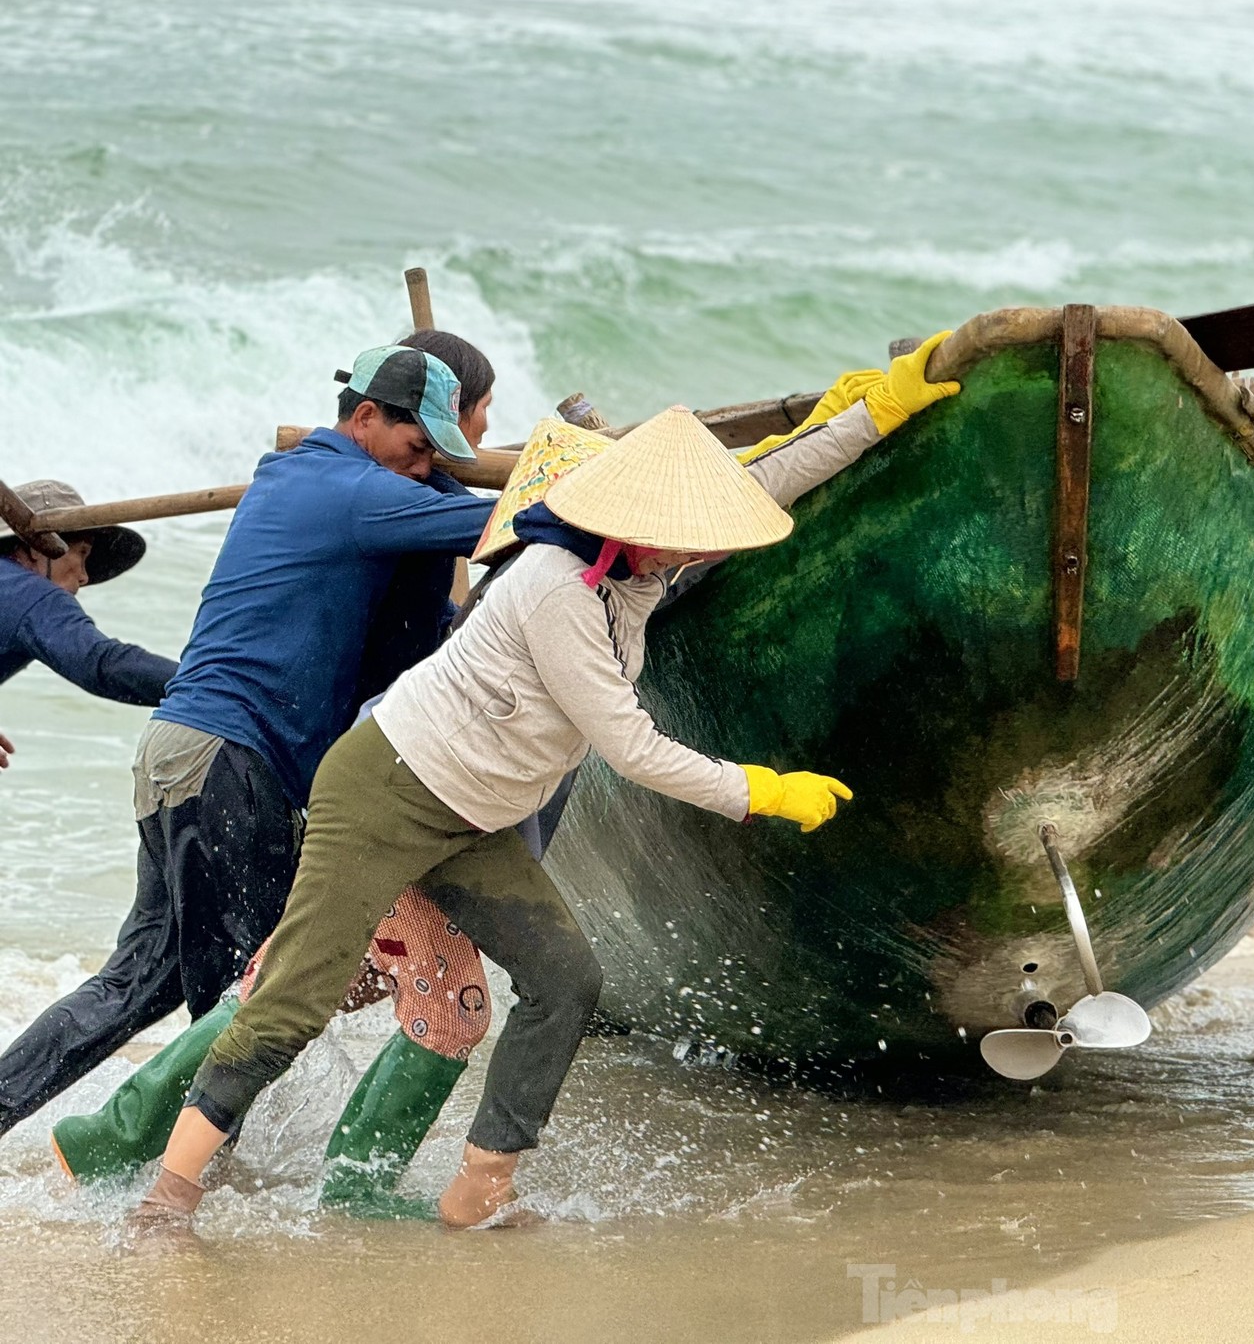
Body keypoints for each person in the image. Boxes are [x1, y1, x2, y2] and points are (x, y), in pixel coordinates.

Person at [133, 336, 962, 1231]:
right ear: (636, 519)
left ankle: (479, 1191)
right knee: (299, 992)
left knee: (567, 978)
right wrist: (759, 789)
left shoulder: (646, 562)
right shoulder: (558, 584)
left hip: (476, 818)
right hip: (385, 791)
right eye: (693, 530)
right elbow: (629, 744)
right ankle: (168, 1193)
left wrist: (875, 412)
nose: (707, 543)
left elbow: (767, 481)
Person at [0, 343, 496, 1138]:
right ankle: (166, 1172)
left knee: (139, 985)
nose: (422, 465)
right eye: (417, 446)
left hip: (177, 754)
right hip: (231, 762)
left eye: (438, 453)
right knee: (253, 990)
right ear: (364, 418)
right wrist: (568, 480)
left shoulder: (300, 477)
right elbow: (506, 523)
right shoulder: (353, 489)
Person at [1, 480, 176, 720]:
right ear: (36, 548)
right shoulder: (27, 593)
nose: (84, 577)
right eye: (81, 554)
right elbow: (102, 665)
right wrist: (213, 686)